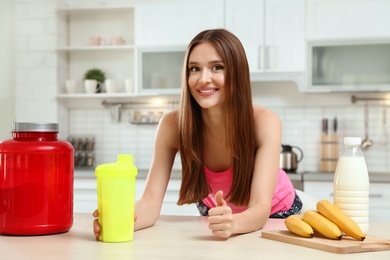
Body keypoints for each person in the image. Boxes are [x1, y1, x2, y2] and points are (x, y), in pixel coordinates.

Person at [93, 28, 302, 239]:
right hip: (218, 218)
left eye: (217, 67)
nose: (203, 79)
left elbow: (260, 207)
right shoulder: (172, 125)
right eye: (194, 69)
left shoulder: (265, 122)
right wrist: (120, 220)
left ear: (236, 73)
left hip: (276, 216)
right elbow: (149, 203)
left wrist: (233, 223)